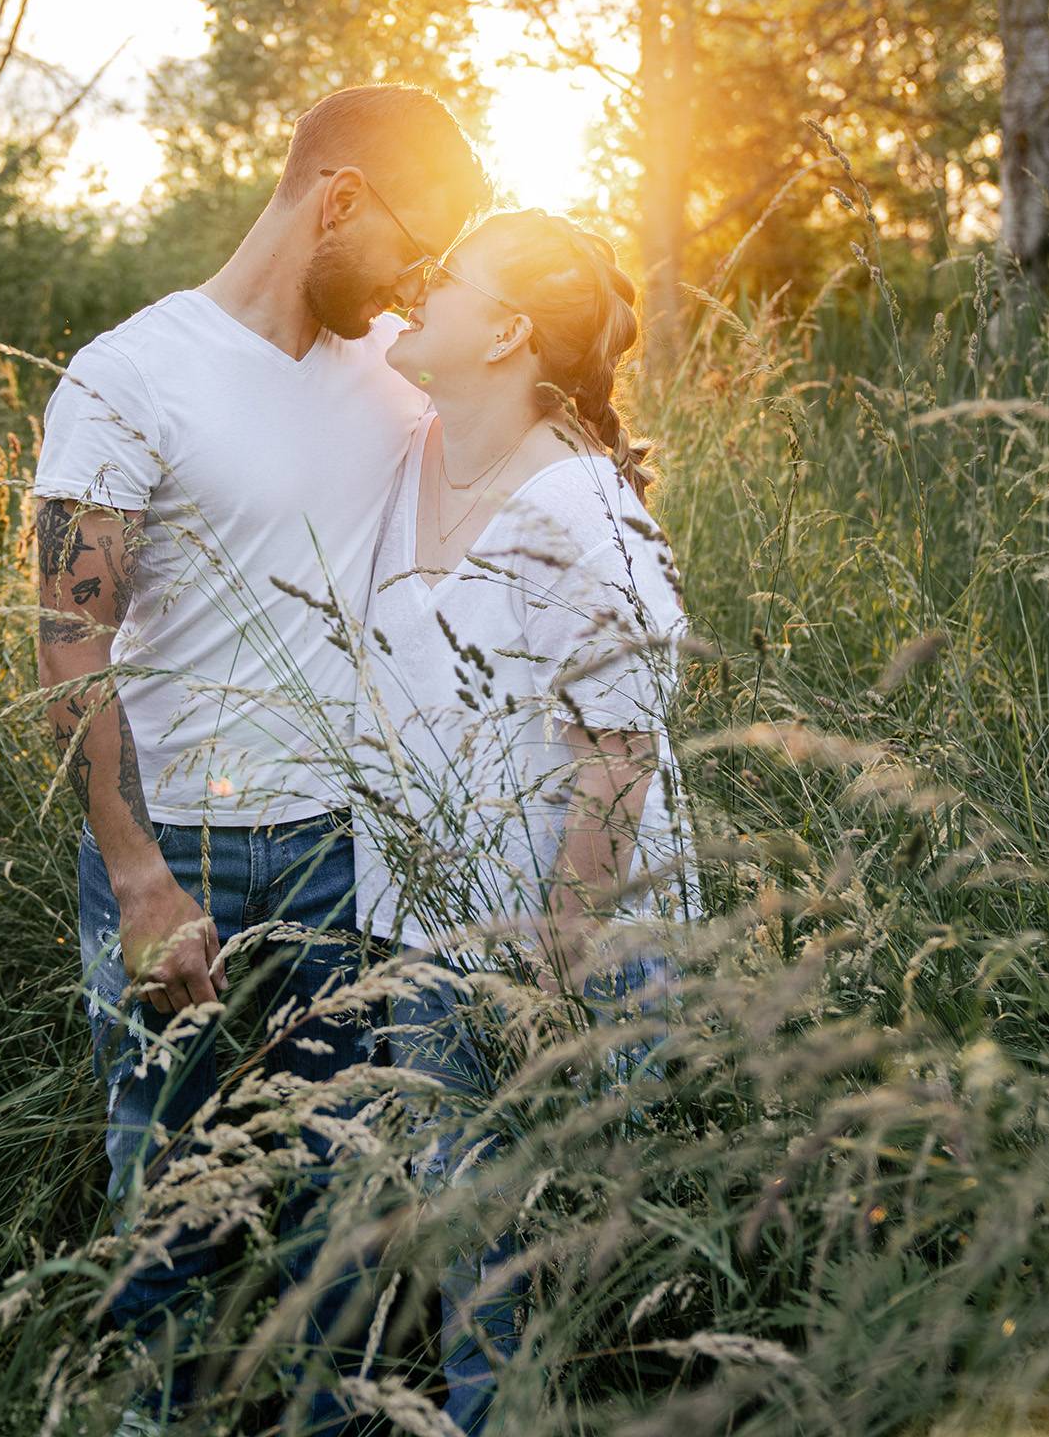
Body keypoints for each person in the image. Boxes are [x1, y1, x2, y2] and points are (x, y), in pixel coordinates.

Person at [31, 84, 488, 1433]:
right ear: (337, 199)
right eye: (412, 244)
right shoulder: (129, 378)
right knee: (175, 1213)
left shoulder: (403, 365)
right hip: (192, 859)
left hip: (357, 857)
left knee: (340, 1228)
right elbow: (70, 643)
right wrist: (136, 879)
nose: (416, 280)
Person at [351, 207, 699, 1436]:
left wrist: (561, 955)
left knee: (565, 1278)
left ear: (504, 330)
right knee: (468, 1254)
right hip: (433, 938)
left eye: (444, 279)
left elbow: (622, 743)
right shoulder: (414, 459)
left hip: (565, 948)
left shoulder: (576, 506)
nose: (413, 288)